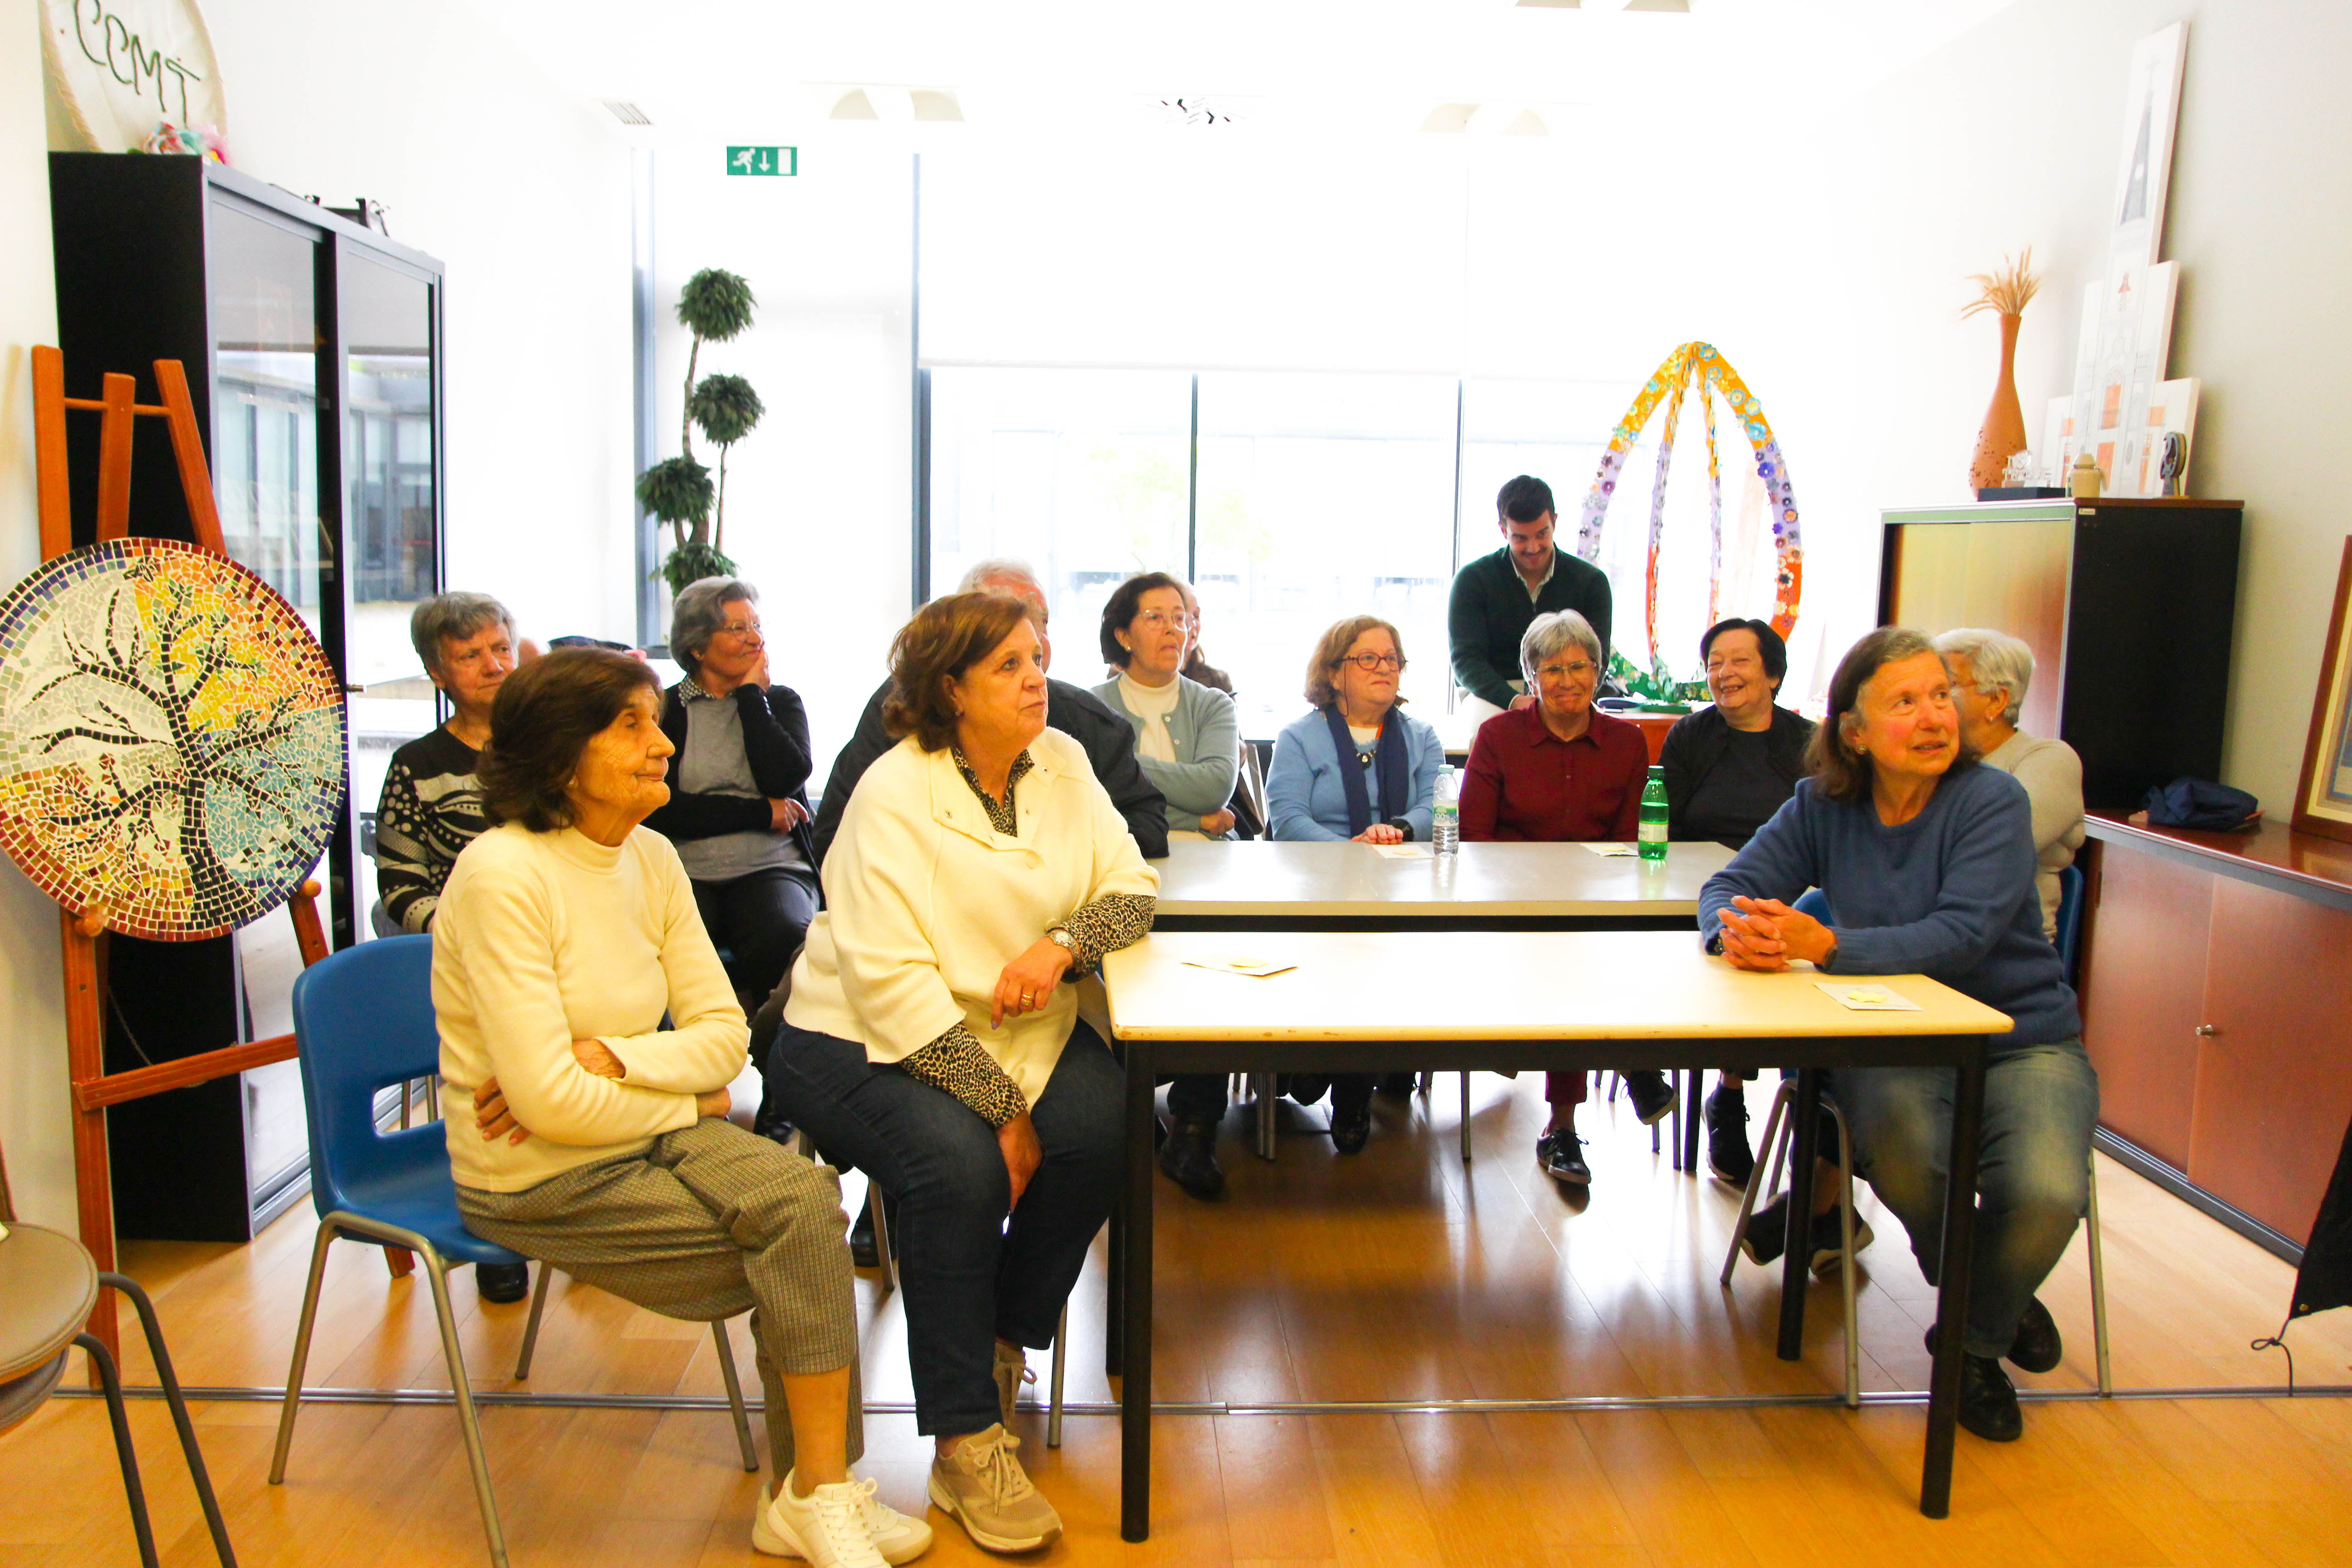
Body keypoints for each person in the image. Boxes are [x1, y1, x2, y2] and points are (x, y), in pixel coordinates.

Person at [436, 649, 928, 1567]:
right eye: (630, 726)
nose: (663, 743)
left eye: (653, 722)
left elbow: (726, 1037)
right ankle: (809, 1497)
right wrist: (688, 1100)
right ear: (558, 756)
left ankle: (814, 1494)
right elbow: (546, 1106)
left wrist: (625, 1063)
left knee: (805, 1197)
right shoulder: (502, 874)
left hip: (626, 1132)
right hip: (536, 1172)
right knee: (801, 1253)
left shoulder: (651, 856)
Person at [766, 593, 1157, 1554]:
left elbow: (1133, 888)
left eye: (1038, 658)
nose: (1037, 680)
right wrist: (1002, 1113)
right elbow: (889, 982)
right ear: (951, 689)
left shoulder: (1062, 762)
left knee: (1107, 1129)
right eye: (1009, 667)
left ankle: (997, 1344)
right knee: (962, 1168)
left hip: (1014, 1017)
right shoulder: (894, 791)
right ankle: (963, 1442)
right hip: (861, 1031)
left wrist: (1063, 943)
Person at [1700, 626, 2098, 1444]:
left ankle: (1969, 1338)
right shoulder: (1823, 804)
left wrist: (1826, 946)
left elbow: (1961, 936)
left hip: (2019, 1037)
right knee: (1905, 1153)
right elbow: (1731, 883)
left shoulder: (1991, 801)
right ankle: (1993, 1305)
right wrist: (1734, 933)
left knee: (2049, 1192)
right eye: (1905, 701)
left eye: (1940, 696)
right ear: (1853, 731)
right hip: (1889, 1038)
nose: (1934, 716)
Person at [1460, 610, 1676, 1186]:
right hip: (1511, 904)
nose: (1567, 681)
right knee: (1568, 958)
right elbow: (1475, 836)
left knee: (1590, 950)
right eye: (1552, 669)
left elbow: (1629, 841)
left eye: (1580, 667)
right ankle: (1625, 1064)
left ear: (1598, 672)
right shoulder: (1498, 737)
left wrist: (1590, 892)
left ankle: (1568, 1121)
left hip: (1595, 903)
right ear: (1531, 677)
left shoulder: (1626, 741)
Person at [371, 591, 534, 1307]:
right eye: (470, 656)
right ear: (438, 674)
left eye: (500, 649)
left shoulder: (548, 750)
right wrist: (469, 937)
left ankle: (587, 1205)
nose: (492, 665)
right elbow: (400, 885)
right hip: (461, 955)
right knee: (492, 1052)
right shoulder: (416, 764)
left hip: (552, 941)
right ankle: (501, 1225)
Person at [812, 560, 1168, 865]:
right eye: (1007, 656)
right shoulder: (899, 728)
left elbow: (1140, 842)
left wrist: (1059, 865)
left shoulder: (1079, 734)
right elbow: (838, 842)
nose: (1033, 636)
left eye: (1040, 621)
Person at [1265, 615, 1445, 1153]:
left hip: (1402, 884)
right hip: (1317, 886)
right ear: (1334, 672)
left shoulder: (1421, 736)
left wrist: (1397, 831)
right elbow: (1288, 820)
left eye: (1392, 659)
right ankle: (1326, 1065)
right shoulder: (1300, 737)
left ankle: (1345, 1082)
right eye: (1368, 658)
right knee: (1347, 945)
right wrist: (1350, 853)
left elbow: (1437, 808)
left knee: (1386, 948)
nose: (1383, 668)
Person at [1091, 573, 1243, 1200]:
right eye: (1155, 617)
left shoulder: (1214, 704)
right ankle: (1127, 1112)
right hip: (1120, 862)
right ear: (1123, 633)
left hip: (1208, 868)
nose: (1173, 629)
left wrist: (1128, 768)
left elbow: (1215, 786)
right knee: (1119, 970)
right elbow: (1094, 801)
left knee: (1217, 966)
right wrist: (1190, 811)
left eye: (1180, 617)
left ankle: (1195, 1129)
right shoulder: (1090, 705)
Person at [1658, 617, 1817, 1187]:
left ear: (1773, 674)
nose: (1724, 674)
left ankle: (1805, 1119)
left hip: (1791, 886)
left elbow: (1821, 833)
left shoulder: (1808, 742)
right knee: (1739, 932)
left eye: (1739, 661)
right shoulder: (1690, 736)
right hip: (1702, 885)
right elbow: (1665, 826)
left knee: (1771, 932)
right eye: (1714, 664)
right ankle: (1727, 1093)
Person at [642, 578, 819, 1022]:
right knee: (665, 943)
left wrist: (751, 698)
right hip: (685, 869)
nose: (755, 639)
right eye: (738, 628)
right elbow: (664, 809)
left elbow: (785, 777)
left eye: (757, 626)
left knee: (784, 934)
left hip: (771, 865)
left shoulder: (779, 702)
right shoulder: (665, 711)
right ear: (698, 646)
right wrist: (760, 811)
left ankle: (777, 1056)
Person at [1934, 628, 2085, 942]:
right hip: (1924, 934)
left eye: (1946, 687)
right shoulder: (1933, 759)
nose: (1932, 701)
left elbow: (1989, 850)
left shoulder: (2049, 759)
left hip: (2005, 947)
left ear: (1996, 700)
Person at [1448, 475, 1613, 728]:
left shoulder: (1591, 582)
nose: (1533, 547)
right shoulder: (1473, 580)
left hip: (1567, 688)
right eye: (1520, 538)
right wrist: (1513, 700)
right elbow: (1466, 660)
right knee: (1486, 732)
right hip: (1495, 693)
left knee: (1598, 736)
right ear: (1503, 530)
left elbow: (1598, 657)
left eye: (1541, 534)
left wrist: (1562, 693)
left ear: (1554, 522)